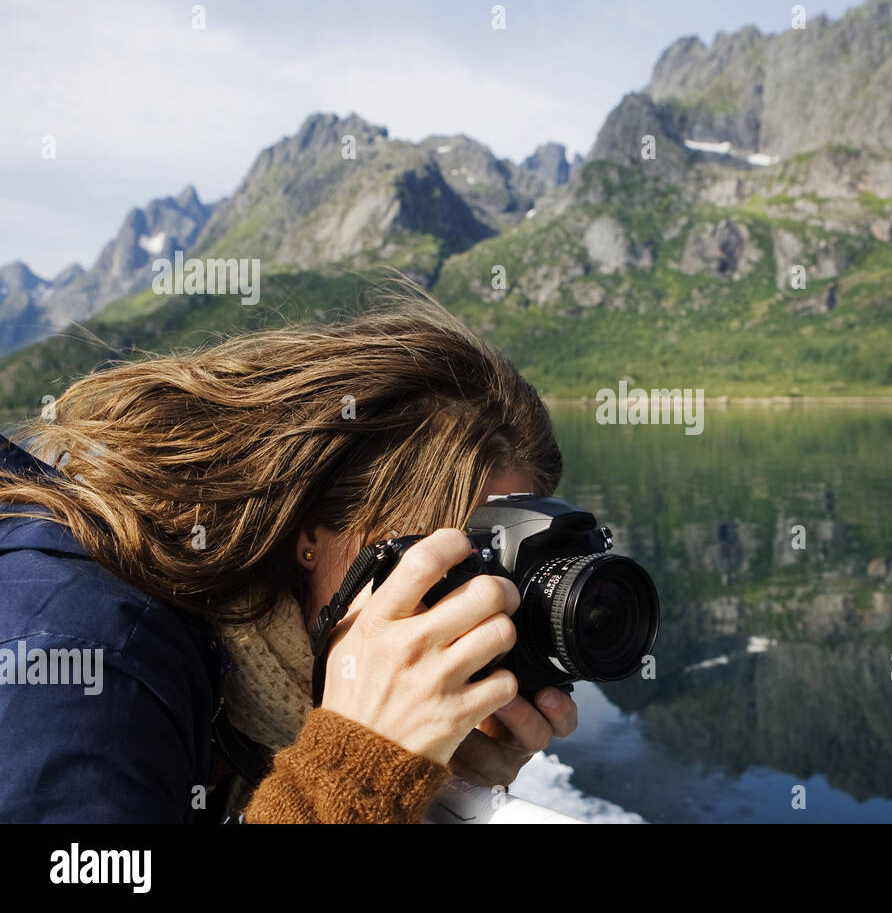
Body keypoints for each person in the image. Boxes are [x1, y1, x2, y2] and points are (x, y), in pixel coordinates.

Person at [0, 292, 578, 822]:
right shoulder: (92, 660)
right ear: (309, 534)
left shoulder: (257, 663)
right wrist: (354, 770)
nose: (473, 612)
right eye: (449, 566)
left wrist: (427, 779)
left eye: (499, 566)